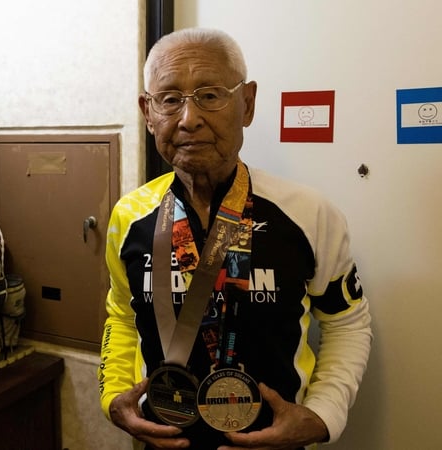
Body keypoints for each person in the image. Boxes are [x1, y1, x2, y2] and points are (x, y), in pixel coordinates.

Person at [97, 27, 372, 449]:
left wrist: (323, 416)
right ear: (147, 112)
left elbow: (347, 322)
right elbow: (121, 314)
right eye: (169, 99)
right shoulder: (129, 215)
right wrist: (113, 396)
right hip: (162, 439)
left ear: (247, 103)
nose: (189, 118)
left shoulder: (309, 214)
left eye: (209, 94)